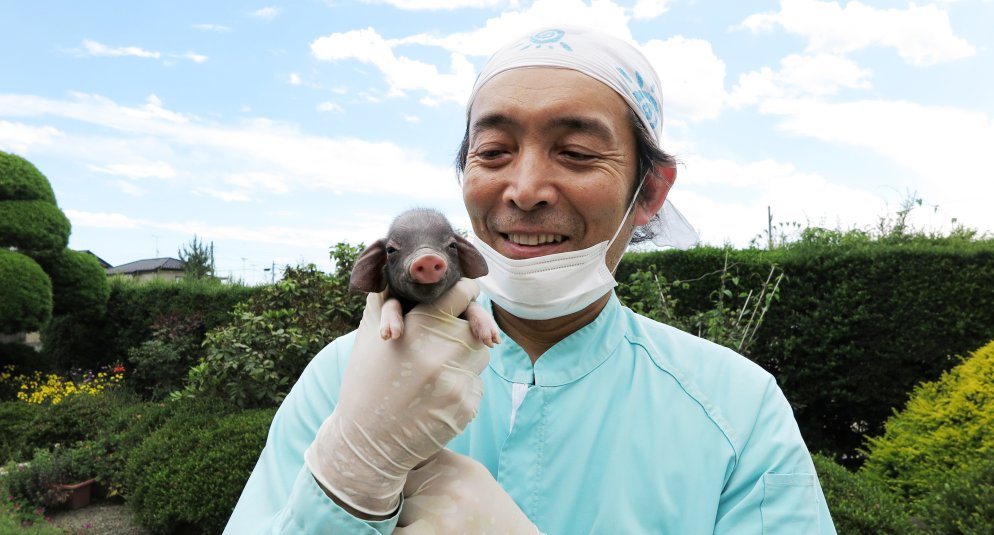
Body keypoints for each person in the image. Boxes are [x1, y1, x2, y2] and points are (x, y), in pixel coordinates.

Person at [225, 26, 836, 534]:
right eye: (494, 152)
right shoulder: (344, 376)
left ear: (649, 192)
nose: (524, 190)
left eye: (576, 153)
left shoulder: (737, 411)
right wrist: (350, 482)